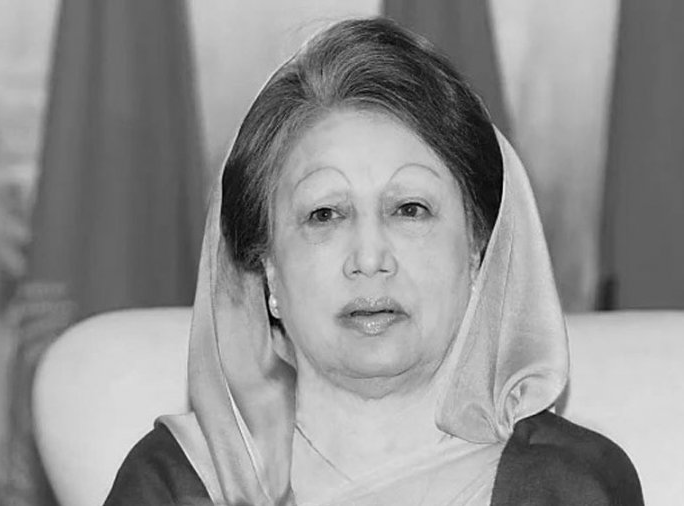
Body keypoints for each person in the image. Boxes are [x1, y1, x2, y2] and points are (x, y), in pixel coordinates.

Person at [104, 17, 643, 505]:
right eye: (324, 215)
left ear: (480, 250)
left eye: (410, 210)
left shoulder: (569, 484)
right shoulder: (179, 485)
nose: (369, 258)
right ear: (266, 270)